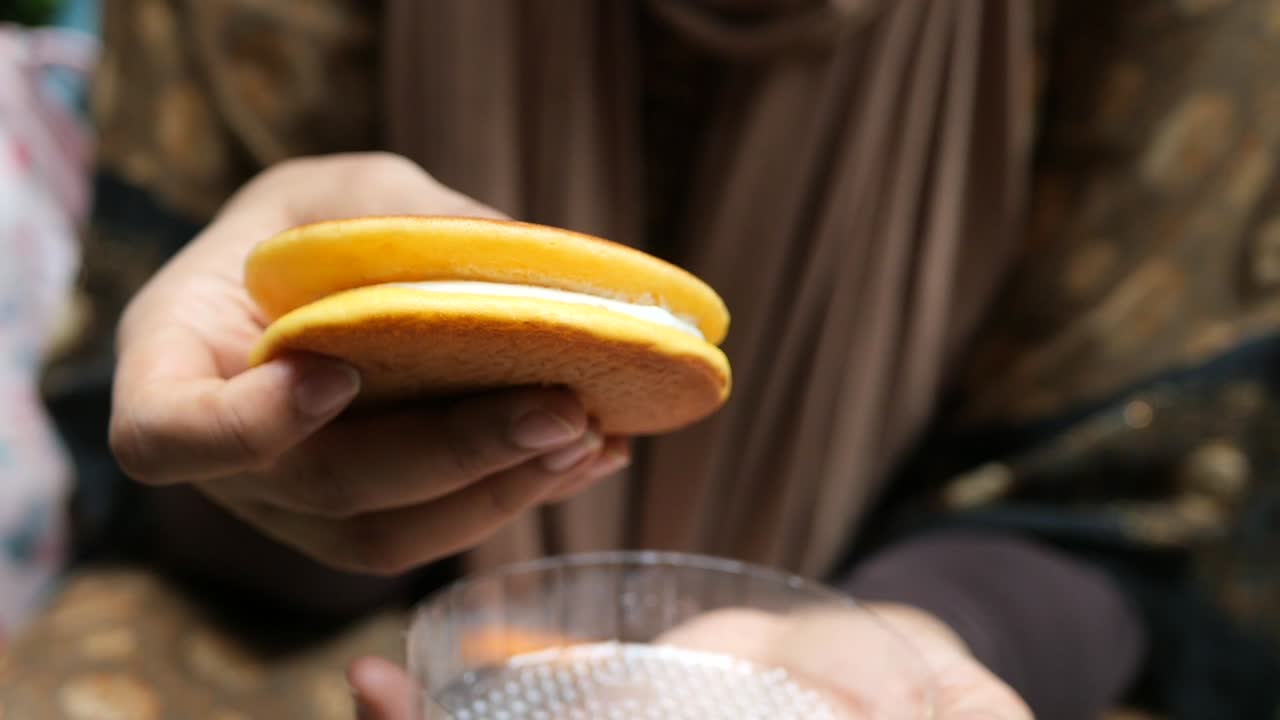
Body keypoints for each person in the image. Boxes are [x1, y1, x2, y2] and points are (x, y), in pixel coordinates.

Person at [33, 0, 1280, 718]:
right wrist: (294, 433)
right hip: (344, 623)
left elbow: (1150, 491)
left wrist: (905, 648)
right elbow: (157, 467)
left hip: (933, 623)